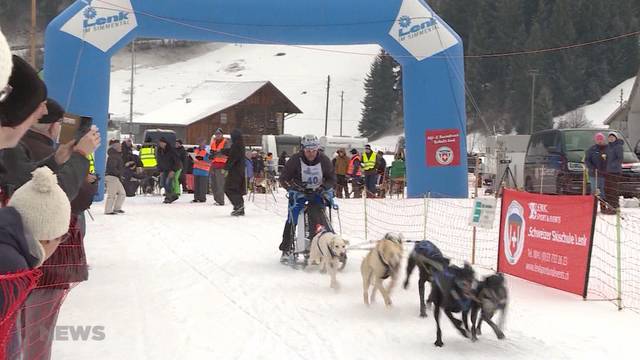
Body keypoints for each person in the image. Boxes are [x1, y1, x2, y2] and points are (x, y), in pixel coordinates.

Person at [278, 134, 336, 261]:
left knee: (318, 214)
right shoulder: (294, 160)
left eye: (314, 150)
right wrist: (293, 188)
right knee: (292, 217)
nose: (311, 153)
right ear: (303, 149)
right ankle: (286, 248)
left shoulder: (324, 160)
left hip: (317, 193)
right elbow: (283, 179)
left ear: (318, 149)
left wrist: (324, 187)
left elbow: (332, 179)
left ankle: (327, 244)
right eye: (308, 150)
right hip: (299, 193)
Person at [222, 129, 246, 216]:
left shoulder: (236, 146)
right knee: (235, 189)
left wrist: (225, 168)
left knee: (229, 188)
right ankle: (239, 206)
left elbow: (232, 157)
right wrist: (222, 151)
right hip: (239, 170)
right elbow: (231, 152)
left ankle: (238, 206)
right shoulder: (239, 145)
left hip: (235, 171)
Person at [585, 132, 608, 211]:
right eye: (598, 139)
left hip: (604, 174)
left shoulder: (607, 149)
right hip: (593, 174)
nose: (599, 141)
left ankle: (603, 206)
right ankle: (592, 207)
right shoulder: (591, 149)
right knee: (594, 190)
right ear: (595, 140)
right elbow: (587, 160)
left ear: (604, 140)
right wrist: (592, 168)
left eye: (601, 139)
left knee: (602, 190)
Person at [603, 132, 624, 214]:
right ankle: (611, 206)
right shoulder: (608, 147)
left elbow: (620, 159)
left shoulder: (618, 146)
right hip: (608, 171)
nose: (611, 138)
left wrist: (611, 165)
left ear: (616, 138)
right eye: (610, 137)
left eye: (613, 137)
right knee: (608, 189)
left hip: (615, 171)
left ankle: (615, 207)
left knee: (613, 190)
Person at [156, 137, 182, 203]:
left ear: (165, 143)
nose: (160, 144)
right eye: (160, 143)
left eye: (162, 143)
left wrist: (173, 170)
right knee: (163, 183)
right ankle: (173, 195)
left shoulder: (171, 150)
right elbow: (159, 161)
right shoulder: (159, 151)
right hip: (164, 169)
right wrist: (160, 170)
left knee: (168, 183)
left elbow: (177, 161)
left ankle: (169, 197)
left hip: (171, 169)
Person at [104, 140, 126, 214]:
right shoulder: (113, 156)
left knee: (122, 193)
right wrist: (119, 173)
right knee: (112, 195)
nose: (121, 147)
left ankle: (117, 208)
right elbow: (112, 167)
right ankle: (108, 210)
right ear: (115, 147)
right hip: (112, 177)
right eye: (119, 146)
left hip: (115, 177)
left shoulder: (116, 155)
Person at [209, 128, 229, 206]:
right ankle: (217, 199)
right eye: (216, 134)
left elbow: (225, 152)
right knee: (213, 184)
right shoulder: (213, 142)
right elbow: (212, 151)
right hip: (214, 165)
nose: (217, 135)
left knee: (220, 184)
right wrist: (211, 155)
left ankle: (221, 201)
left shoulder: (226, 142)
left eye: (219, 134)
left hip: (222, 165)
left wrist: (215, 154)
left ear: (222, 135)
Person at [192, 138, 211, 203]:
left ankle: (202, 198)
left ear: (205, 142)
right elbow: (194, 158)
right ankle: (196, 197)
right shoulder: (196, 150)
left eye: (202, 142)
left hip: (204, 170)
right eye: (199, 142)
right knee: (196, 185)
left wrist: (203, 158)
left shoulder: (207, 150)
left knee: (202, 185)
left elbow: (210, 159)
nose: (200, 143)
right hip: (196, 169)